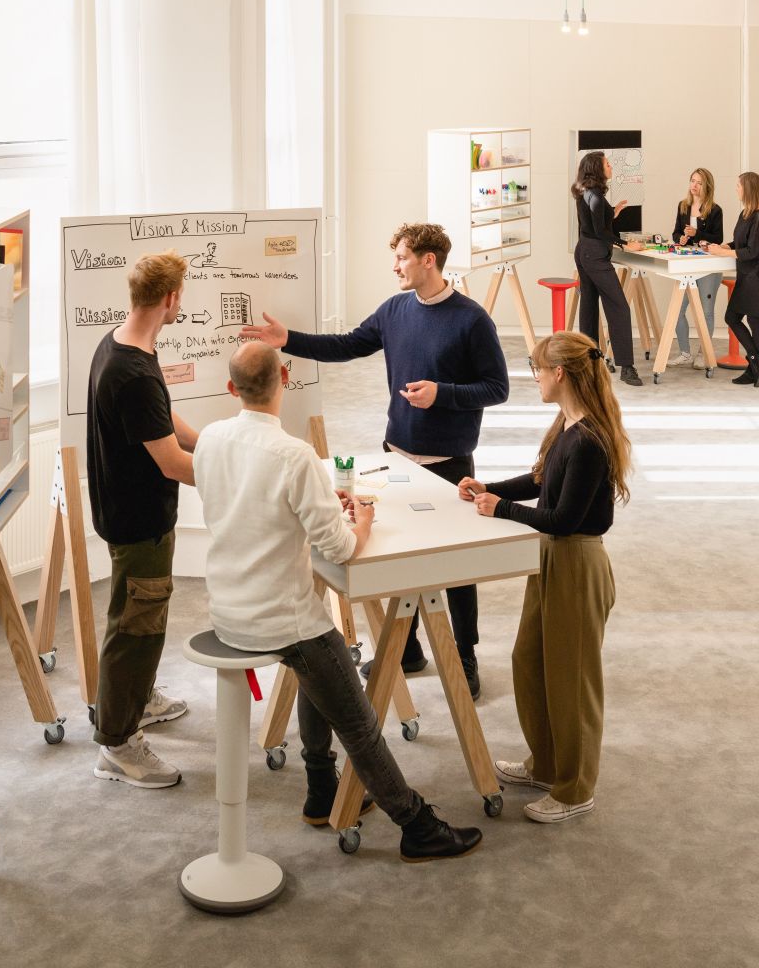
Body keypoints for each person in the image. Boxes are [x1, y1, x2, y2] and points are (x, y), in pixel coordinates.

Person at [195, 342, 484, 862]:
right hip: (282, 619)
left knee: (323, 665)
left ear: (232, 388)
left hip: (229, 610)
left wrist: (323, 503)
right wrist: (362, 520)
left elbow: (255, 505)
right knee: (358, 720)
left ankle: (322, 788)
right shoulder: (294, 455)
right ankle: (416, 824)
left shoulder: (212, 439)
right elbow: (342, 549)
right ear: (284, 379)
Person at [239, 222, 507, 700]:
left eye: (402, 257)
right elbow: (346, 345)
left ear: (428, 260)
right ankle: (407, 649)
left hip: (449, 462)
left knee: (457, 568)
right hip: (396, 454)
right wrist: (287, 339)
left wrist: (442, 393)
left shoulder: (471, 320)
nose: (395, 266)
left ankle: (464, 655)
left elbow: (497, 388)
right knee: (400, 552)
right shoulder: (395, 310)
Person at [457, 330, 629, 824]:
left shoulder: (590, 440)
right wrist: (488, 487)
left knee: (572, 680)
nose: (533, 377)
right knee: (530, 660)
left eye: (537, 369)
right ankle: (547, 764)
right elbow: (540, 480)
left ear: (560, 373)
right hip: (549, 556)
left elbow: (565, 519)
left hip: (576, 561)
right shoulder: (565, 425)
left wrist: (500, 508)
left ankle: (575, 789)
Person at [85, 251, 197, 790]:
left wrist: (214, 443)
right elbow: (172, 463)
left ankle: (139, 697)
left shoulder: (122, 342)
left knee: (144, 619)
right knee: (135, 628)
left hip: (133, 511)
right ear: (171, 298)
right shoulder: (132, 374)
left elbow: (163, 421)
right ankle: (117, 742)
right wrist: (238, 475)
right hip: (138, 520)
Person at [572, 151, 642, 388]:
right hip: (594, 255)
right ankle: (627, 368)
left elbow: (595, 221)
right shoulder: (595, 196)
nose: (611, 167)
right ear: (597, 169)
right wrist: (625, 244)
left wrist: (613, 212)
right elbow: (599, 231)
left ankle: (590, 362)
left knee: (589, 306)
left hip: (584, 251)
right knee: (619, 306)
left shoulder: (587, 191)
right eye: (608, 164)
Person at [706, 171, 759, 388]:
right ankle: (756, 364)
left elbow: (752, 251)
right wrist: (723, 246)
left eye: (738, 185)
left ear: (748, 188)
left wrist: (723, 253)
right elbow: (740, 243)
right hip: (747, 275)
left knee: (753, 321)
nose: (736, 189)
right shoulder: (745, 213)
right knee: (733, 317)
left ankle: (754, 366)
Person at [670, 167, 726, 369]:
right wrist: (681, 238)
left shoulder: (715, 210)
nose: (694, 185)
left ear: (707, 186)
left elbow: (718, 238)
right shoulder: (683, 206)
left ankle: (704, 353)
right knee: (677, 310)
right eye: (692, 181)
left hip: (708, 266)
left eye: (699, 183)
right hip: (687, 264)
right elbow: (676, 232)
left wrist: (697, 234)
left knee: (706, 311)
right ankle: (685, 353)